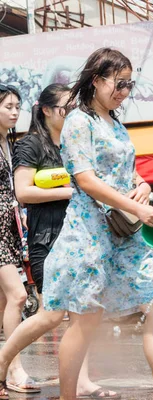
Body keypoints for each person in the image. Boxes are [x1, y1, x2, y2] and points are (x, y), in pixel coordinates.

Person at [8, 47, 153, 400]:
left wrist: (143, 185)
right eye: (119, 83)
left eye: (129, 85)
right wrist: (137, 209)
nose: (124, 92)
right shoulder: (79, 121)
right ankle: (68, 396)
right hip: (89, 233)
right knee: (84, 320)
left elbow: (127, 171)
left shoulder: (115, 123)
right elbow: (86, 180)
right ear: (96, 80)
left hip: (124, 233)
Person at [2, 84, 121, 399]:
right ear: (46, 110)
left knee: (84, 313)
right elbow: (24, 192)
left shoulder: (75, 143)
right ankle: (3, 361)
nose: (71, 114)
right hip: (47, 239)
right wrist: (73, 189)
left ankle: (81, 380)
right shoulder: (30, 146)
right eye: (65, 108)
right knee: (51, 314)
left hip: (81, 238)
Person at [0, 84, 41, 397]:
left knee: (4, 302)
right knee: (17, 296)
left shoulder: (8, 142)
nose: (14, 112)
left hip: (10, 229)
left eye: (17, 107)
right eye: (8, 106)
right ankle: (12, 367)